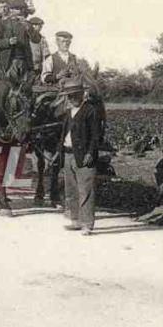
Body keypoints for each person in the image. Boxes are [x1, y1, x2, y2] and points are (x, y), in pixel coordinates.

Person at [59, 78, 102, 236]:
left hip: (84, 156)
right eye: (69, 96)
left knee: (86, 190)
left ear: (81, 95)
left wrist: (91, 152)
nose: (71, 99)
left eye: (74, 96)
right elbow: (64, 133)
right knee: (71, 190)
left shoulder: (90, 110)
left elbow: (96, 136)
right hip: (69, 154)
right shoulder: (68, 112)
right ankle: (75, 220)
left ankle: (87, 224)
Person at [0, 0, 34, 85]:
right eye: (16, 9)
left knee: (25, 87)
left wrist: (28, 28)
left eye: (21, 10)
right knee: (8, 86)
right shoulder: (2, 23)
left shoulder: (27, 24)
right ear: (11, 10)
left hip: (25, 60)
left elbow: (36, 39)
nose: (19, 12)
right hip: (9, 61)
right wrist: (8, 42)